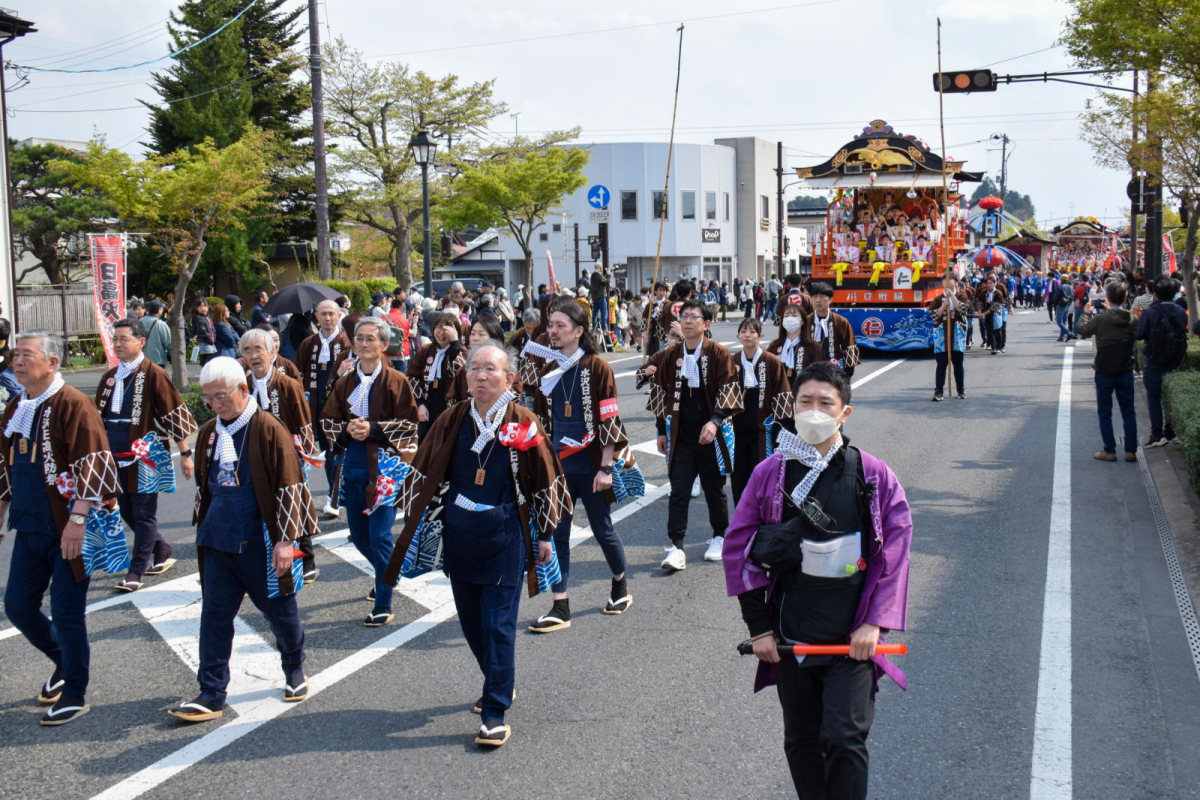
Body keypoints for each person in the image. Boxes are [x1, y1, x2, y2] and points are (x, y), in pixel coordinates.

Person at [724, 362, 912, 800]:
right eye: (804, 401)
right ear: (791, 407)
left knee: (845, 738)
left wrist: (874, 623)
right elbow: (737, 549)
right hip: (792, 630)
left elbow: (896, 551)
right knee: (802, 740)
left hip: (852, 632)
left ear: (844, 412)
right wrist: (760, 628)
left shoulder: (873, 474)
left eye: (824, 403)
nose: (813, 411)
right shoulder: (769, 473)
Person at [382, 342, 572, 748]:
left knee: (498, 623)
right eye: (474, 370)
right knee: (470, 622)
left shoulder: (523, 420)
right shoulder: (452, 419)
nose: (481, 376)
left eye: (490, 370)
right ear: (465, 376)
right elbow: (426, 470)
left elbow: (545, 479)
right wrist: (413, 514)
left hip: (505, 535)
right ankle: (499, 677)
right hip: (461, 533)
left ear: (508, 378)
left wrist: (544, 535)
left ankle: (494, 710)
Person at [166, 356, 317, 723]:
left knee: (280, 610)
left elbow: (290, 484)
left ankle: (294, 666)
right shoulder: (209, 432)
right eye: (209, 398)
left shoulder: (267, 428)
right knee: (215, 616)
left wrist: (286, 541)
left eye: (221, 396)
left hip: (261, 538)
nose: (215, 404)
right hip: (219, 538)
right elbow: (205, 486)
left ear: (243, 390)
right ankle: (211, 691)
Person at [1, 331, 122, 726]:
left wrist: (77, 520)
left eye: (27, 355)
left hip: (69, 526)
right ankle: (63, 660)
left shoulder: (73, 404)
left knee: (67, 612)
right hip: (30, 525)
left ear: (52, 362)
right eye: (15, 354)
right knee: (17, 606)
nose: (17, 360)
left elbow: (95, 464)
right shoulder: (18, 405)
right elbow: (5, 465)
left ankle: (75, 691)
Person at [528, 301, 640, 632]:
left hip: (591, 466)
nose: (553, 330)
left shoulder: (597, 367)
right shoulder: (548, 368)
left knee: (602, 529)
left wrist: (606, 468)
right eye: (552, 324)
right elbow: (538, 418)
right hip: (558, 467)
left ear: (578, 331)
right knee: (556, 534)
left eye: (561, 325)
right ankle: (560, 605)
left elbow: (609, 419)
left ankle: (620, 584)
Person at [321, 317, 419, 627]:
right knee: (359, 537)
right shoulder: (345, 382)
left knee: (379, 537)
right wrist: (347, 428)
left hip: (385, 468)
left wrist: (374, 429)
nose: (364, 343)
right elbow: (327, 422)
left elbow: (410, 426)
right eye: (359, 338)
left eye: (370, 339)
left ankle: (384, 601)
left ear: (383, 345)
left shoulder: (397, 381)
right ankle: (387, 572)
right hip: (353, 466)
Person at [637, 299, 743, 571]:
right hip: (681, 436)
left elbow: (730, 390)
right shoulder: (671, 355)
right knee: (679, 490)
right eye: (684, 316)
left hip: (711, 435)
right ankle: (676, 547)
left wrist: (715, 421)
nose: (687, 320)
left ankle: (719, 536)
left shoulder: (719, 353)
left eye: (694, 317)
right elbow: (659, 391)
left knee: (714, 490)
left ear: (706, 324)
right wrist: (661, 429)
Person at [95, 319, 198, 592]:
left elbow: (173, 412)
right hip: (115, 453)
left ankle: (136, 570)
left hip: (147, 455)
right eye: (115, 339)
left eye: (124, 339)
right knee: (126, 511)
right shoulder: (109, 378)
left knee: (143, 513)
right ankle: (161, 548)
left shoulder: (154, 373)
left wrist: (185, 452)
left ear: (141, 342)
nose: (117, 344)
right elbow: (96, 420)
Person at [241, 328, 322, 582]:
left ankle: (306, 559)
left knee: (293, 505)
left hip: (288, 457)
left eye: (258, 349)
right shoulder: (243, 386)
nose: (254, 355)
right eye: (247, 350)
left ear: (272, 351)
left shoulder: (287, 384)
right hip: (253, 458)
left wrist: (307, 456)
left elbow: (303, 422)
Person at [294, 299, 354, 517]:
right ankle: (322, 496)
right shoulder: (308, 344)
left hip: (338, 409)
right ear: (316, 317)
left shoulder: (347, 343)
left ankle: (334, 496)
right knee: (312, 452)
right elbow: (297, 376)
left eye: (332, 314)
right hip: (312, 406)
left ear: (339, 315)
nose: (328, 318)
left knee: (334, 453)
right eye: (323, 314)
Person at [730, 318, 792, 505]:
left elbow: (782, 393)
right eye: (743, 331)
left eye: (752, 332)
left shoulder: (772, 361)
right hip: (737, 428)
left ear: (760, 336)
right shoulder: (732, 361)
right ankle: (740, 515)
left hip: (763, 429)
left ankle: (762, 516)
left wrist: (783, 430)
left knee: (762, 473)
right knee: (738, 474)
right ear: (738, 336)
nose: (747, 335)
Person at [1077, 281, 1138, 463]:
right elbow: (1139, 331)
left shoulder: (1101, 319)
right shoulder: (1131, 319)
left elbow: (1082, 330)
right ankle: (1130, 450)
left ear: (1108, 298)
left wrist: (1087, 313)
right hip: (1125, 369)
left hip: (1104, 370)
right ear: (1125, 298)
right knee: (1129, 412)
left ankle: (1109, 450)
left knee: (1105, 412)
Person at [1136, 276, 1189, 448]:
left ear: (1156, 294)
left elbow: (1139, 334)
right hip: (1175, 358)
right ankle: (1170, 431)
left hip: (1155, 359)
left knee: (1154, 396)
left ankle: (1157, 434)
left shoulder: (1151, 312)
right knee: (1170, 395)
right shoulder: (1180, 310)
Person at [411, 312, 467, 441]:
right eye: (438, 328)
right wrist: (419, 404)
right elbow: (413, 377)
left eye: (446, 329)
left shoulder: (462, 352)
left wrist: (454, 344)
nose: (441, 333)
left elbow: (461, 374)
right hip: (427, 406)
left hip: (450, 408)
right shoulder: (425, 350)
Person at [802, 283, 860, 381]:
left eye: (822, 296)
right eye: (814, 296)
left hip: (834, 371)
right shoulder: (806, 322)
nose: (818, 300)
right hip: (809, 372)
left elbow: (849, 345)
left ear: (830, 299)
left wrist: (847, 374)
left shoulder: (840, 321)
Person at [930, 276, 970, 401]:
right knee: (941, 363)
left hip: (957, 333)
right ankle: (939, 391)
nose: (947, 283)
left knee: (958, 363)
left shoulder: (962, 296)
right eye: (945, 281)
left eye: (950, 280)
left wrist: (952, 296)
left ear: (956, 283)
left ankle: (960, 389)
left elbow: (963, 309)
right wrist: (943, 306)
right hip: (942, 334)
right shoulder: (937, 299)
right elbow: (933, 316)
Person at [767, 301, 807, 385]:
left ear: (802, 321)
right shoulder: (775, 345)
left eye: (794, 315)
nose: (790, 319)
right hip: (780, 393)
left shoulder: (811, 346)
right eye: (786, 316)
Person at [141, 300, 172, 368]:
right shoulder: (161, 324)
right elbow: (169, 343)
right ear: (159, 310)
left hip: (142, 359)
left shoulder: (140, 321)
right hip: (158, 360)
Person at [193, 299, 218, 366]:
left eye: (204, 306)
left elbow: (212, 328)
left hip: (210, 342)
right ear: (197, 308)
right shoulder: (199, 318)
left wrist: (214, 337)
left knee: (210, 359)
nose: (203, 308)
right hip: (205, 342)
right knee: (206, 360)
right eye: (200, 306)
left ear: (208, 307)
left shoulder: (208, 317)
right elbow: (203, 331)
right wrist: (211, 339)